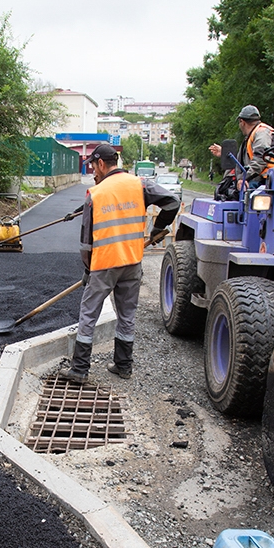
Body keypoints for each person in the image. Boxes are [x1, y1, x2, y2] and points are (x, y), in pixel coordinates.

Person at [64, 143, 180, 383]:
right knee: (127, 315)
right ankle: (123, 365)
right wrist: (158, 228)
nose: (92, 172)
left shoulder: (95, 194)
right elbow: (172, 202)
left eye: (93, 167)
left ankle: (79, 370)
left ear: (102, 164)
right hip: (132, 262)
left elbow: (86, 244)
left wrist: (88, 271)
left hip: (105, 264)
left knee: (88, 315)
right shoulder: (140, 184)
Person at [208, 104, 274, 189]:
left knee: (235, 192)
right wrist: (224, 153)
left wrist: (244, 178)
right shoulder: (253, 135)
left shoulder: (262, 133)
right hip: (261, 178)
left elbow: (260, 160)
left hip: (267, 181)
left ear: (242, 122)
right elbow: (246, 162)